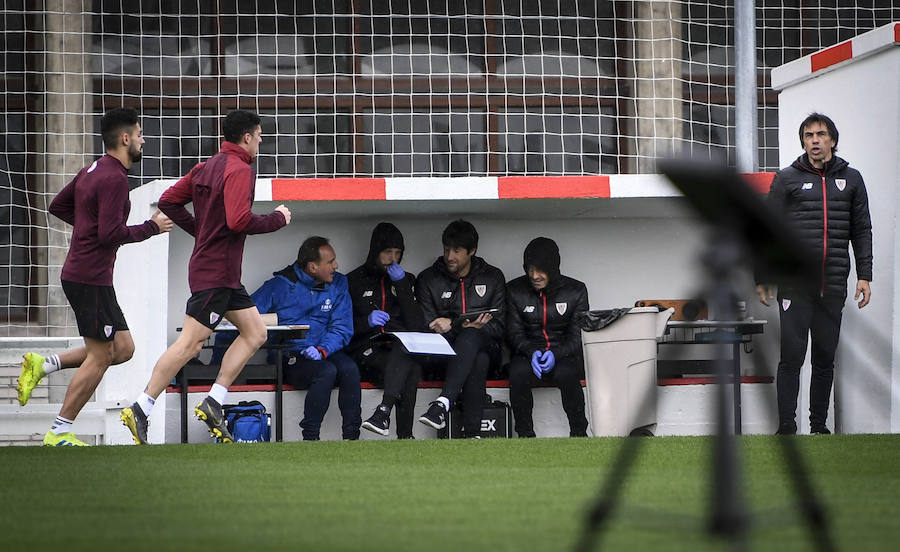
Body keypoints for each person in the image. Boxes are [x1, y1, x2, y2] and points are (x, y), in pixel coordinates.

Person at [120, 109, 291, 445]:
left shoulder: (206, 166)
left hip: (221, 274)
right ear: (246, 137)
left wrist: (200, 231)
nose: (260, 141)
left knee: (255, 333)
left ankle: (214, 401)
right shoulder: (240, 169)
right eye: (259, 136)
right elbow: (239, 221)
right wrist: (277, 219)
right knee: (190, 344)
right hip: (216, 273)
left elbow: (169, 200)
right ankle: (140, 408)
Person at [16, 107, 174, 446]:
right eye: (140, 133)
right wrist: (152, 228)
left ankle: (44, 364)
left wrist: (88, 228)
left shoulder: (92, 170)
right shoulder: (115, 177)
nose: (144, 140)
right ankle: (59, 431)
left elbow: (58, 206)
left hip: (91, 276)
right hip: (89, 277)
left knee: (124, 348)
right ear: (125, 138)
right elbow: (108, 234)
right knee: (101, 355)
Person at [755, 112, 872, 435]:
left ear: (832, 140)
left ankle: (819, 427)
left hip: (832, 285)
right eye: (808, 135)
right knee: (791, 358)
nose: (815, 140)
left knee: (824, 360)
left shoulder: (852, 180)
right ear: (803, 141)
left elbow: (862, 230)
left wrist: (865, 275)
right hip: (795, 286)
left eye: (821, 134)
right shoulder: (787, 179)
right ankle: (786, 426)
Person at [251, 236, 361, 441]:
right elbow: (247, 316)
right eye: (330, 262)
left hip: (324, 351)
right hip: (290, 355)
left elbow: (342, 327)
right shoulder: (278, 285)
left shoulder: (339, 283)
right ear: (312, 267)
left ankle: (352, 437)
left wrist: (323, 350)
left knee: (350, 369)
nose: (336, 266)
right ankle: (311, 437)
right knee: (326, 371)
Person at [415, 219, 506, 438]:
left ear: (472, 251)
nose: (449, 256)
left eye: (457, 251)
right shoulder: (428, 279)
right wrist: (462, 326)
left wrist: (455, 324)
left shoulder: (493, 277)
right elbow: (428, 328)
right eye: (447, 249)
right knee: (477, 357)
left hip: (489, 347)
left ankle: (442, 404)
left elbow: (501, 327)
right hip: (444, 355)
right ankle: (472, 433)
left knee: (474, 337)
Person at [347, 222, 427, 438]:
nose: (393, 258)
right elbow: (342, 327)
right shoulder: (353, 280)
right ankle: (404, 434)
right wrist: (366, 322)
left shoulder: (406, 279)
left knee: (409, 363)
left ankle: (384, 414)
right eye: (387, 252)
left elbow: (417, 326)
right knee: (408, 368)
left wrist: (401, 285)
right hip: (366, 351)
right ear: (375, 251)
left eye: (398, 253)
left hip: (398, 349)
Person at [506, 237, 590, 437]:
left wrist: (556, 353)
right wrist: (532, 351)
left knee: (567, 374)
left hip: (564, 355)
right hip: (528, 354)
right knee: (517, 375)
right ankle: (525, 436)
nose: (534, 275)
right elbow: (514, 333)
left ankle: (579, 434)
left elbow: (577, 336)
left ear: (553, 267)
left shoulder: (576, 291)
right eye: (530, 269)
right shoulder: (514, 290)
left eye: (540, 269)